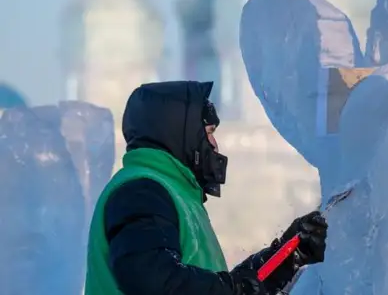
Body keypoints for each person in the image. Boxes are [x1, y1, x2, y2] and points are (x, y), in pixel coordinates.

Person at [85, 81, 328, 295]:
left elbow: (215, 285)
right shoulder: (140, 191)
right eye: (209, 132)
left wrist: (287, 255)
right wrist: (232, 289)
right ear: (180, 133)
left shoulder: (171, 193)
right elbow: (152, 278)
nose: (214, 143)